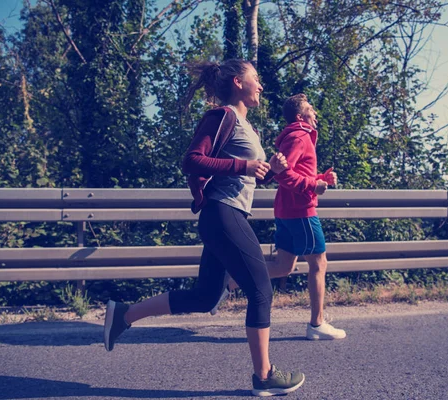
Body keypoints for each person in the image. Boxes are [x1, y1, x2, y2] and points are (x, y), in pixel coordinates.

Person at [103, 59, 305, 397]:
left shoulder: (248, 127)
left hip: (227, 215)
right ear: (238, 82)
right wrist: (245, 164)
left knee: (204, 296)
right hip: (222, 214)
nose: (261, 85)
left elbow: (243, 176)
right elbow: (192, 160)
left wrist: (270, 170)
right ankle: (264, 375)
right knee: (260, 290)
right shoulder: (221, 116)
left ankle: (124, 315)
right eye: (256, 79)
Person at [271, 93, 346, 340]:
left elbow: (295, 173)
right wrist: (313, 186)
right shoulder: (299, 136)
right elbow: (281, 174)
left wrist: (321, 179)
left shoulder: (298, 137)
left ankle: (230, 283)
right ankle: (316, 325)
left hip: (287, 209)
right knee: (319, 263)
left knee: (283, 267)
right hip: (300, 211)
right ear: (301, 116)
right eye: (311, 110)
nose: (315, 114)